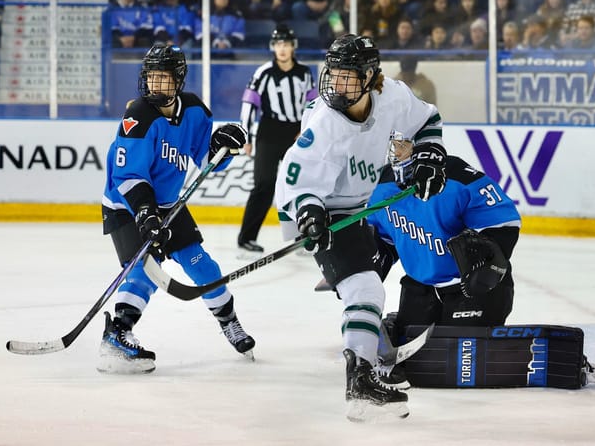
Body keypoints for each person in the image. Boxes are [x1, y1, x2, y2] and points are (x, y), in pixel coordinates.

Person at [274, 34, 447, 421]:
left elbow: (428, 120)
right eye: (332, 74)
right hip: (319, 208)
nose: (337, 84)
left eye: (348, 77)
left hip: (358, 206)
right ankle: (361, 382)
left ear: (370, 78)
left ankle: (366, 359)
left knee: (364, 285)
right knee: (365, 286)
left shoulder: (394, 98)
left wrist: (431, 155)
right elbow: (295, 183)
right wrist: (310, 214)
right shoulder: (323, 123)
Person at [98, 42, 255, 374]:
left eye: (162, 78)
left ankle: (229, 321)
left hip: (168, 203)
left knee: (202, 266)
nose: (154, 85)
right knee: (147, 269)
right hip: (126, 204)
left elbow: (205, 159)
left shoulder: (196, 112)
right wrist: (145, 213)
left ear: (178, 79)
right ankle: (117, 334)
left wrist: (221, 147)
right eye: (150, 77)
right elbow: (128, 175)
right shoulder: (138, 115)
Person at [367, 131, 521, 387]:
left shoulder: (456, 174)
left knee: (457, 359)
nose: (394, 152)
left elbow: (504, 220)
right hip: (420, 288)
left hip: (472, 290)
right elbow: (383, 240)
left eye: (401, 145)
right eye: (392, 145)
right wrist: (362, 268)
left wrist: (487, 261)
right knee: (416, 363)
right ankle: (397, 322)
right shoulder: (380, 185)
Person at [237, 24, 317, 255]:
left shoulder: (304, 73)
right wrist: (246, 135)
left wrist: (307, 129)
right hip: (269, 132)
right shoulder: (263, 73)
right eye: (278, 44)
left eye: (287, 44)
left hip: (296, 133)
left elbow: (313, 105)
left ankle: (304, 233)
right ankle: (246, 237)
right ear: (273, 47)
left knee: (302, 184)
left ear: (293, 47)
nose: (282, 49)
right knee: (264, 184)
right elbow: (249, 104)